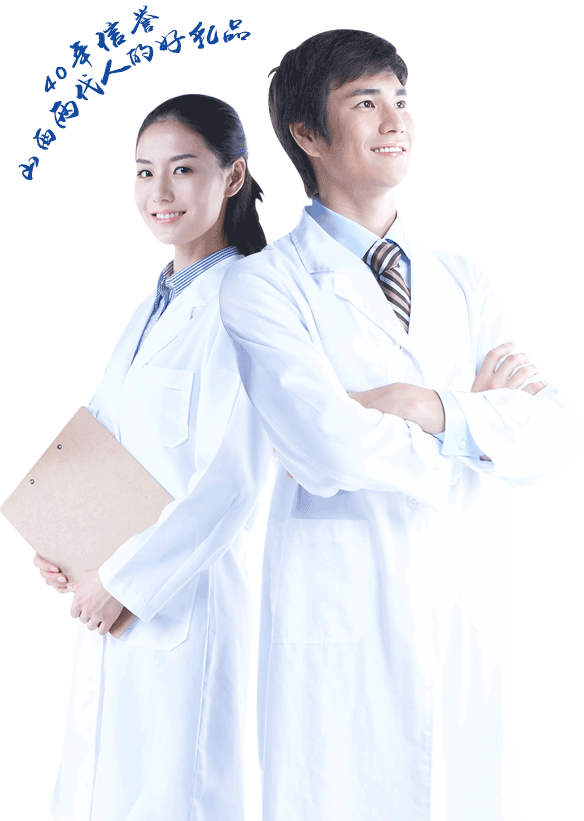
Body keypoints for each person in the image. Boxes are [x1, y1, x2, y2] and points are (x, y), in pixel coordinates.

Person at [218, 30, 567, 821]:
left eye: (401, 99)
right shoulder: (263, 287)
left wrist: (422, 405)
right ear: (307, 135)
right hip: (342, 629)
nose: (394, 119)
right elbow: (325, 447)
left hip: (465, 616)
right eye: (366, 102)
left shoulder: (463, 277)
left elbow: (552, 433)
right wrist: (479, 429)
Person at [33, 94, 272, 821]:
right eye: (144, 171)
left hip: (177, 610)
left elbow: (232, 484)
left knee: (176, 794)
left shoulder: (248, 303)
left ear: (233, 177)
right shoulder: (152, 307)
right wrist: (63, 540)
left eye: (182, 169)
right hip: (108, 603)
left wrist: (126, 581)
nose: (159, 192)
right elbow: (101, 441)